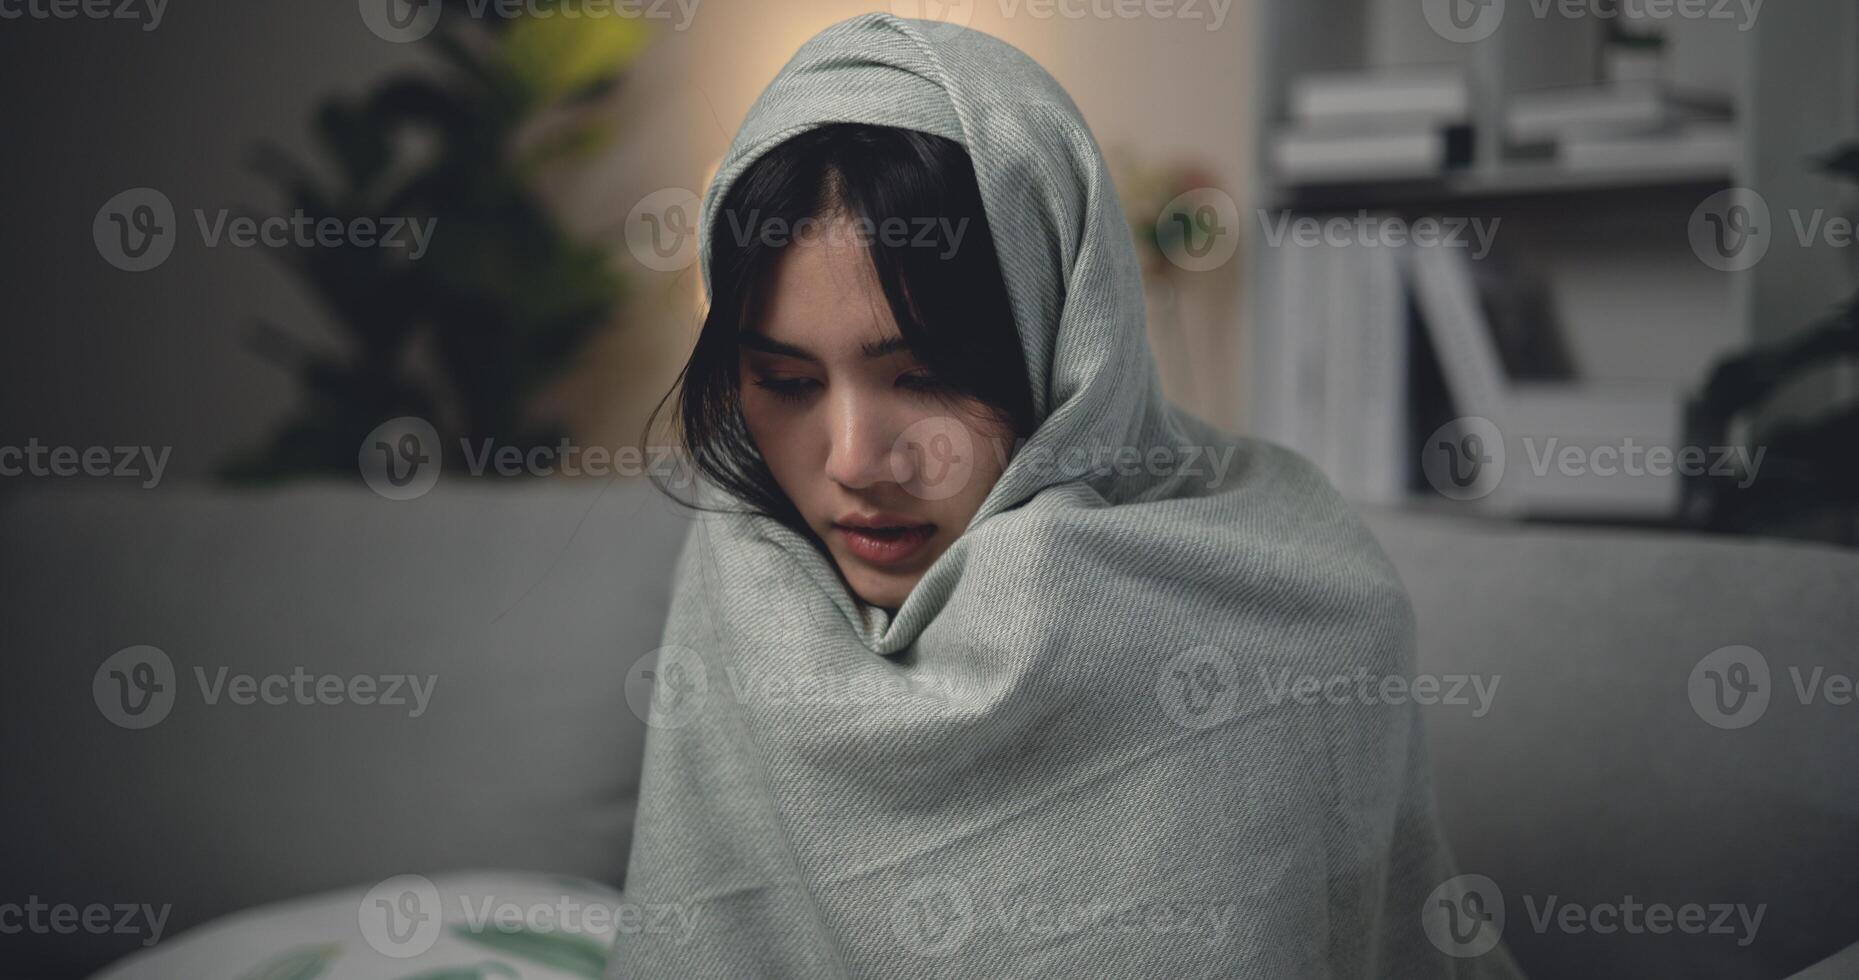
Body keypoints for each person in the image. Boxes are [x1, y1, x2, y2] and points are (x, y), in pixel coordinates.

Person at [618, 12, 1528, 978]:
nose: (854, 461)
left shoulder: (1297, 604)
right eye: (789, 384)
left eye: (923, 375)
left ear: (1066, 346)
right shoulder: (745, 562)